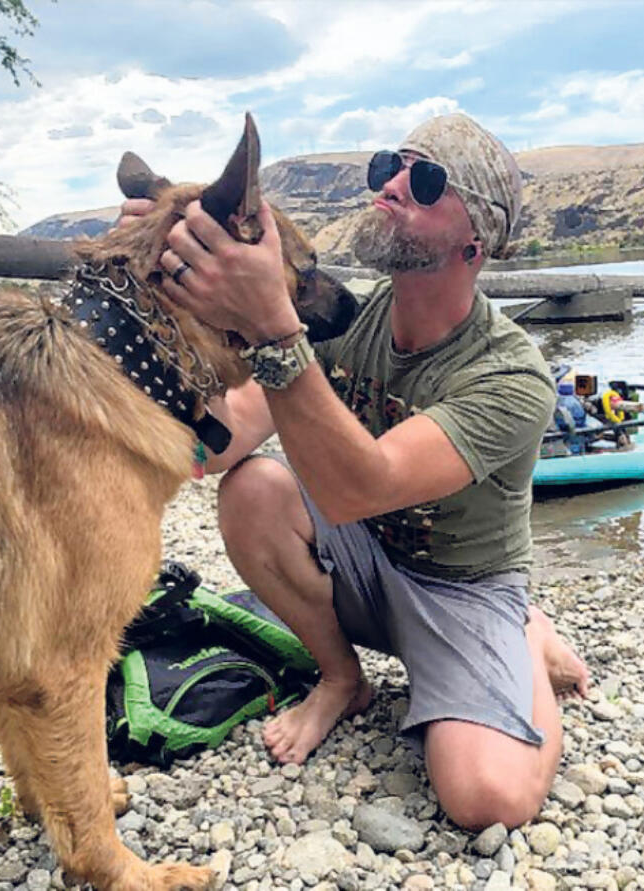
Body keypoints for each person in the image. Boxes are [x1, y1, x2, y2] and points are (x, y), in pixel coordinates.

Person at [123, 112, 589, 830]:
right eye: (389, 167)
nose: (394, 185)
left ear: (478, 238)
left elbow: (360, 484)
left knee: (489, 800)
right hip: (365, 564)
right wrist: (161, 299)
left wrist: (271, 327)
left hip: (461, 591)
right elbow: (217, 446)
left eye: (427, 180)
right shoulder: (350, 321)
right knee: (252, 488)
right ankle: (344, 678)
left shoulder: (511, 375)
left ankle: (525, 632)